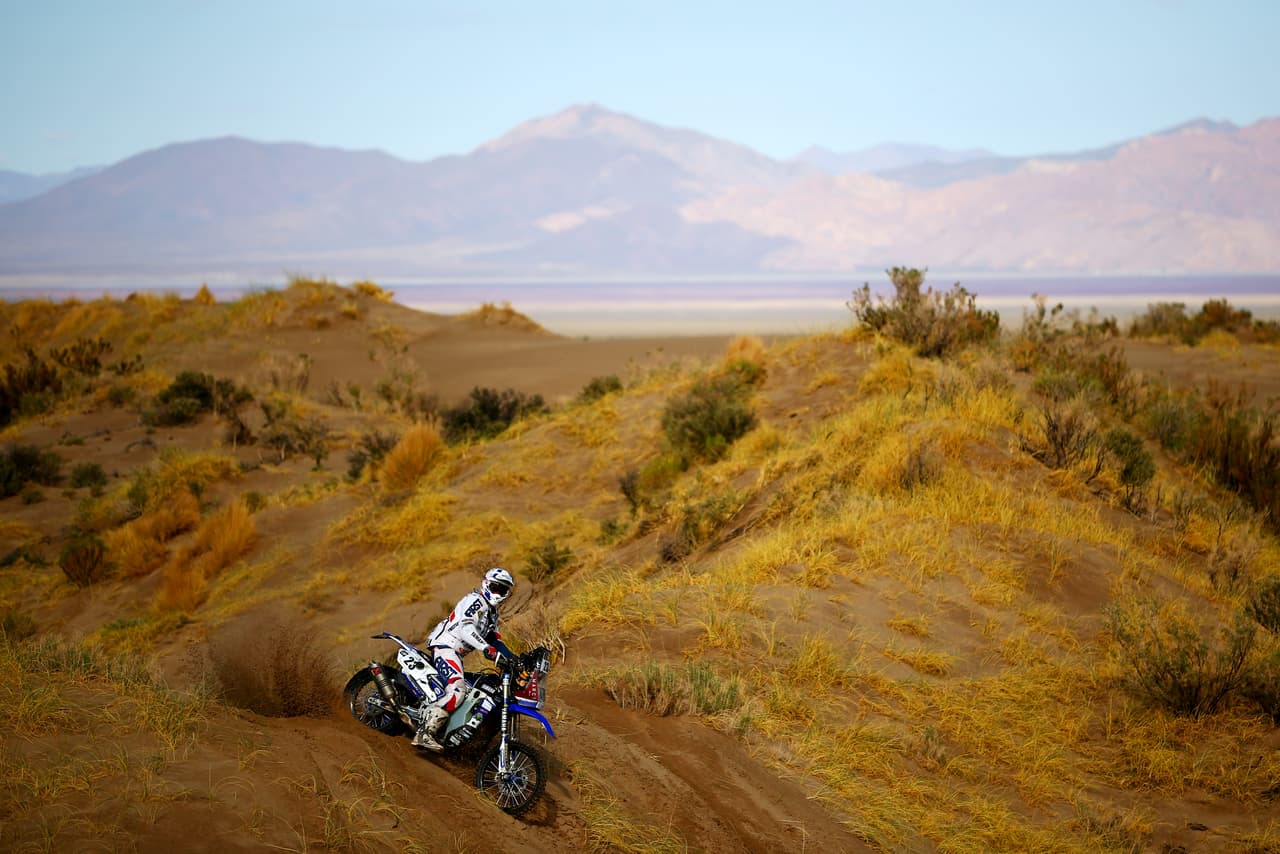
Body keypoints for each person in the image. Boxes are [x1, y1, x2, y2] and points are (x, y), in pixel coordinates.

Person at [412, 567, 517, 750]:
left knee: (471, 690)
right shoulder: (476, 601)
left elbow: (495, 640)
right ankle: (425, 733)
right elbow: (465, 628)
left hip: (455, 652)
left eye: (502, 590)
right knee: (457, 689)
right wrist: (485, 648)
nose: (498, 593)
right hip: (445, 647)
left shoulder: (492, 613)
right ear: (486, 584)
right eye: (495, 587)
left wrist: (512, 658)